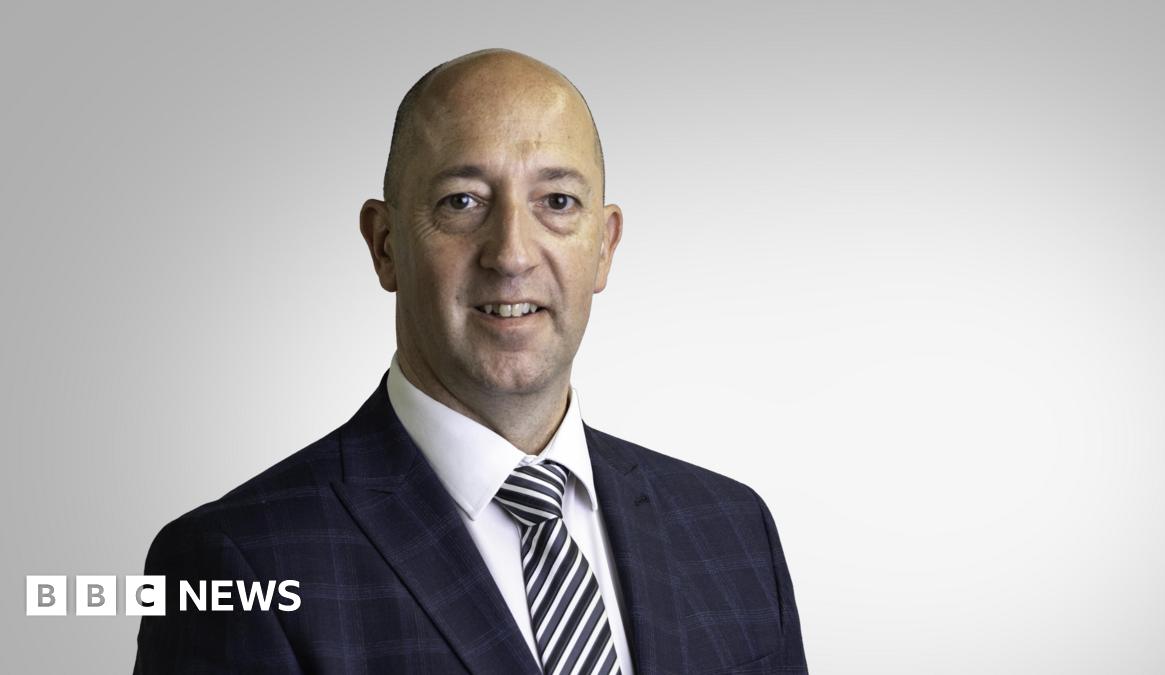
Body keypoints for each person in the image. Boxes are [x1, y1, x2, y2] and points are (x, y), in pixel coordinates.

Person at [134, 48, 809, 674]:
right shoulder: (232, 565)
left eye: (557, 202)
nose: (512, 253)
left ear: (604, 246)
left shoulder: (734, 529)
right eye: (463, 202)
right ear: (385, 244)